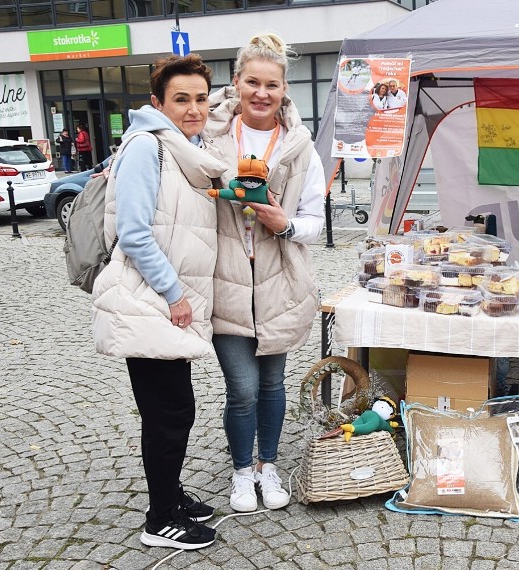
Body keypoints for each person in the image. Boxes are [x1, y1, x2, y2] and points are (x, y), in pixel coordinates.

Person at [91, 54, 228, 550]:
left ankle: (169, 495)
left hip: (163, 302)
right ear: (157, 103)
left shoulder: (182, 148)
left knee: (174, 409)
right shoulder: (147, 148)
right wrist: (175, 295)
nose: (193, 109)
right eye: (181, 100)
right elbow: (133, 232)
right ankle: (160, 520)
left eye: (199, 99)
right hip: (149, 300)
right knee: (168, 413)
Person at [203, 32, 326, 513]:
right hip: (225, 279)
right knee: (244, 388)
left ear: (283, 90)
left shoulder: (300, 148)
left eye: (271, 85)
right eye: (252, 81)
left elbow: (314, 222)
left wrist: (286, 223)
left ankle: (267, 467)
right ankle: (240, 473)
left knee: (273, 386)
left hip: (279, 281)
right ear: (237, 83)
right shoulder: (207, 138)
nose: (261, 92)